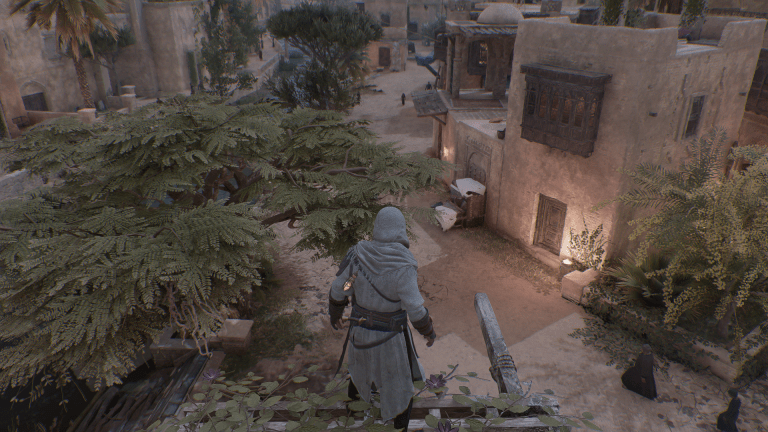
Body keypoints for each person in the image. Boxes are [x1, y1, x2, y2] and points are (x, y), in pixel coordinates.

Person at [329, 207, 437, 432]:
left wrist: (336, 313)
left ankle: (352, 421)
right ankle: (399, 428)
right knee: (400, 387)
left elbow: (341, 288)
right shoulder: (404, 265)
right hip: (390, 340)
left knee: (359, 376)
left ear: (377, 228)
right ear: (400, 230)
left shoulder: (357, 255)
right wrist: (428, 331)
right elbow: (415, 309)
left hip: (360, 335)